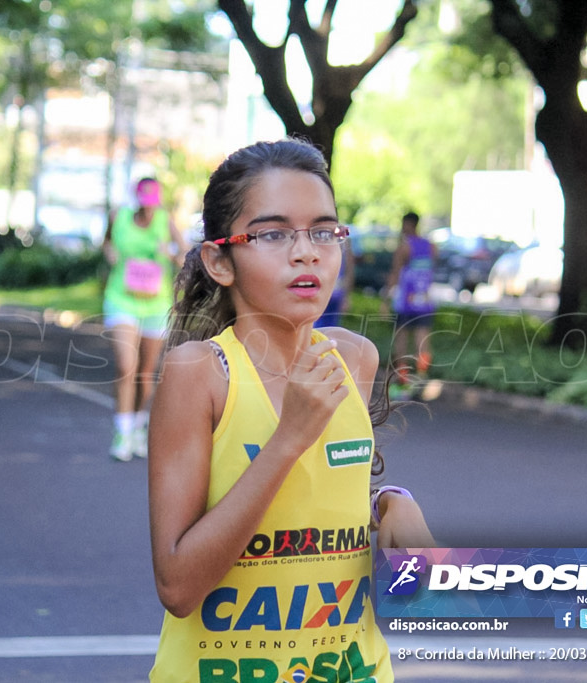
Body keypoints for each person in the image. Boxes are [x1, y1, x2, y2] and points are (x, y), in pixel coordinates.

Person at [147, 139, 432, 681]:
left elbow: (318, 498)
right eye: (274, 234)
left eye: (324, 231)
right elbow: (178, 586)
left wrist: (390, 504)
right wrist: (286, 440)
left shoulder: (355, 358)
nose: (307, 252)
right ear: (219, 260)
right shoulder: (200, 373)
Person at [102, 177, 186, 462]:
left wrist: (170, 253)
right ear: (136, 199)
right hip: (121, 299)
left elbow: (186, 256)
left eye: (153, 204)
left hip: (155, 304)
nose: (148, 210)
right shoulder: (119, 217)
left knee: (146, 373)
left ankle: (138, 424)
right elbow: (107, 243)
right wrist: (110, 252)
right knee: (127, 365)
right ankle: (122, 432)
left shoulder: (166, 221)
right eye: (144, 203)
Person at [383, 211, 437, 398]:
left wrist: (385, 301)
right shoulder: (431, 246)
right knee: (423, 342)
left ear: (408, 224)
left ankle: (403, 384)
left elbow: (395, 274)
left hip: (406, 302)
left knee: (401, 343)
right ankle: (421, 380)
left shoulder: (404, 247)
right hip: (424, 302)